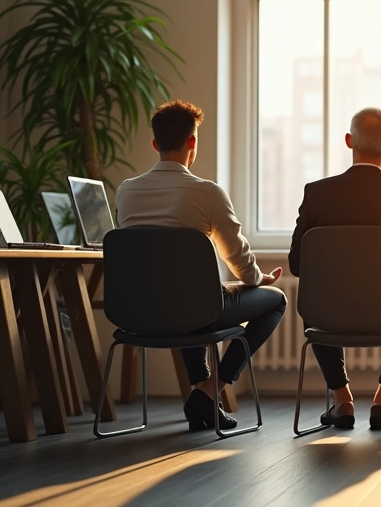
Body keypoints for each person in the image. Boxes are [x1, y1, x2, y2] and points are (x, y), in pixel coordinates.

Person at [117, 100, 286, 431]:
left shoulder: (126, 191)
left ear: (155, 144)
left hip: (140, 311)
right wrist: (259, 278)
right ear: (192, 142)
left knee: (179, 296)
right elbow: (238, 261)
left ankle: (202, 397)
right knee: (276, 301)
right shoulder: (207, 192)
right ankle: (210, 391)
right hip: (192, 310)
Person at [289, 107, 381, 430]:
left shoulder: (317, 194)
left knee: (313, 296)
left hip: (330, 312)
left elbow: (298, 265)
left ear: (348, 141)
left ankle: (342, 400)